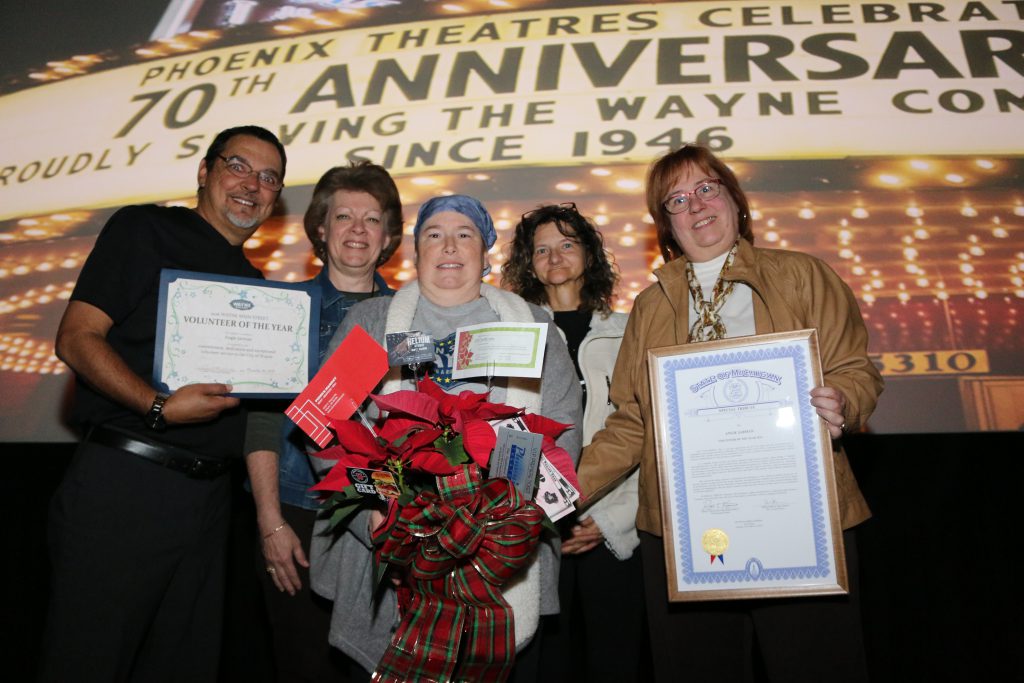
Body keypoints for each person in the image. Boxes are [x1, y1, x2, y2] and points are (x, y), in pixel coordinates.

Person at [578, 144, 884, 683]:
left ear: (735, 201)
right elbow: (632, 419)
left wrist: (842, 400)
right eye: (676, 200)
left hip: (800, 521)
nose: (695, 205)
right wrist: (560, 493)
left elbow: (855, 369)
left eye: (706, 189)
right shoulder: (651, 306)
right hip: (684, 534)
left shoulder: (803, 275)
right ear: (666, 226)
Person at [42, 125, 287, 683]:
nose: (253, 184)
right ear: (204, 172)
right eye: (238, 165)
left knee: (184, 665)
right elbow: (77, 337)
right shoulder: (145, 228)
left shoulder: (257, 286)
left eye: (269, 177)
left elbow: (260, 410)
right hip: (125, 484)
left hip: (209, 503)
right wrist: (158, 406)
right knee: (88, 662)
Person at [308, 195, 583, 680]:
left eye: (465, 234)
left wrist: (498, 531)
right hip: (387, 558)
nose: (449, 245)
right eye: (434, 234)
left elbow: (563, 430)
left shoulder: (533, 326)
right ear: (416, 251)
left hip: (501, 558)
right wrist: (379, 519)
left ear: (486, 252)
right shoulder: (373, 323)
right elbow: (325, 428)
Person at [244, 162, 403, 682]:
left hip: (381, 517)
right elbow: (263, 423)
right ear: (320, 228)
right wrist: (271, 522)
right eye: (343, 217)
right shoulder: (284, 309)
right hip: (299, 514)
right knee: (302, 664)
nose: (357, 229)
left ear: (387, 237)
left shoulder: (409, 315)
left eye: (372, 219)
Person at [502, 202, 649, 682]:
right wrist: (541, 516)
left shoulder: (630, 332)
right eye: (541, 249)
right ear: (529, 264)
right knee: (546, 665)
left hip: (615, 528)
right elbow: (507, 429)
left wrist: (607, 519)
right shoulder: (514, 336)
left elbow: (647, 435)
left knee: (616, 661)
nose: (555, 257)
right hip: (539, 532)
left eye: (567, 244)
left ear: (589, 253)